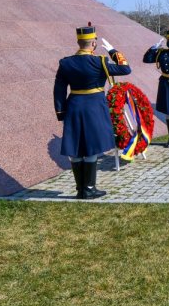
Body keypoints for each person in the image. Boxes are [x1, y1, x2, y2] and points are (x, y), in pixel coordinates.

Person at [54, 23, 132, 198]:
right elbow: (125, 68)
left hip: (74, 106)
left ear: (79, 42)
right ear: (94, 43)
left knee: (76, 146)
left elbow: (59, 89)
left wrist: (60, 111)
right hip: (94, 107)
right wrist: (113, 51)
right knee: (91, 146)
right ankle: (89, 189)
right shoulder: (100, 62)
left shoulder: (66, 63)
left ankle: (80, 189)